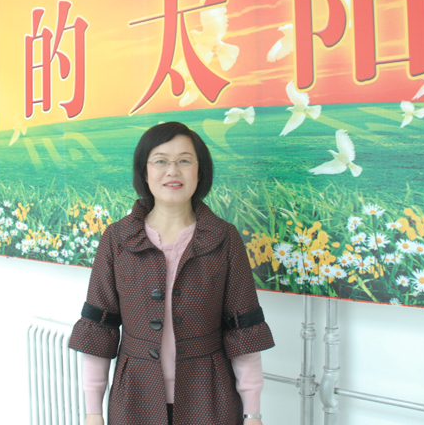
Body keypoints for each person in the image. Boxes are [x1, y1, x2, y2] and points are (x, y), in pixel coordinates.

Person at [69, 122, 274, 425]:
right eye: (161, 161)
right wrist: (93, 412)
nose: (172, 171)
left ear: (200, 171)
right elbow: (99, 328)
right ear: (145, 172)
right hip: (134, 396)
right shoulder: (117, 239)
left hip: (210, 397)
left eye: (184, 161)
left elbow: (242, 329)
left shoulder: (224, 238)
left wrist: (253, 413)